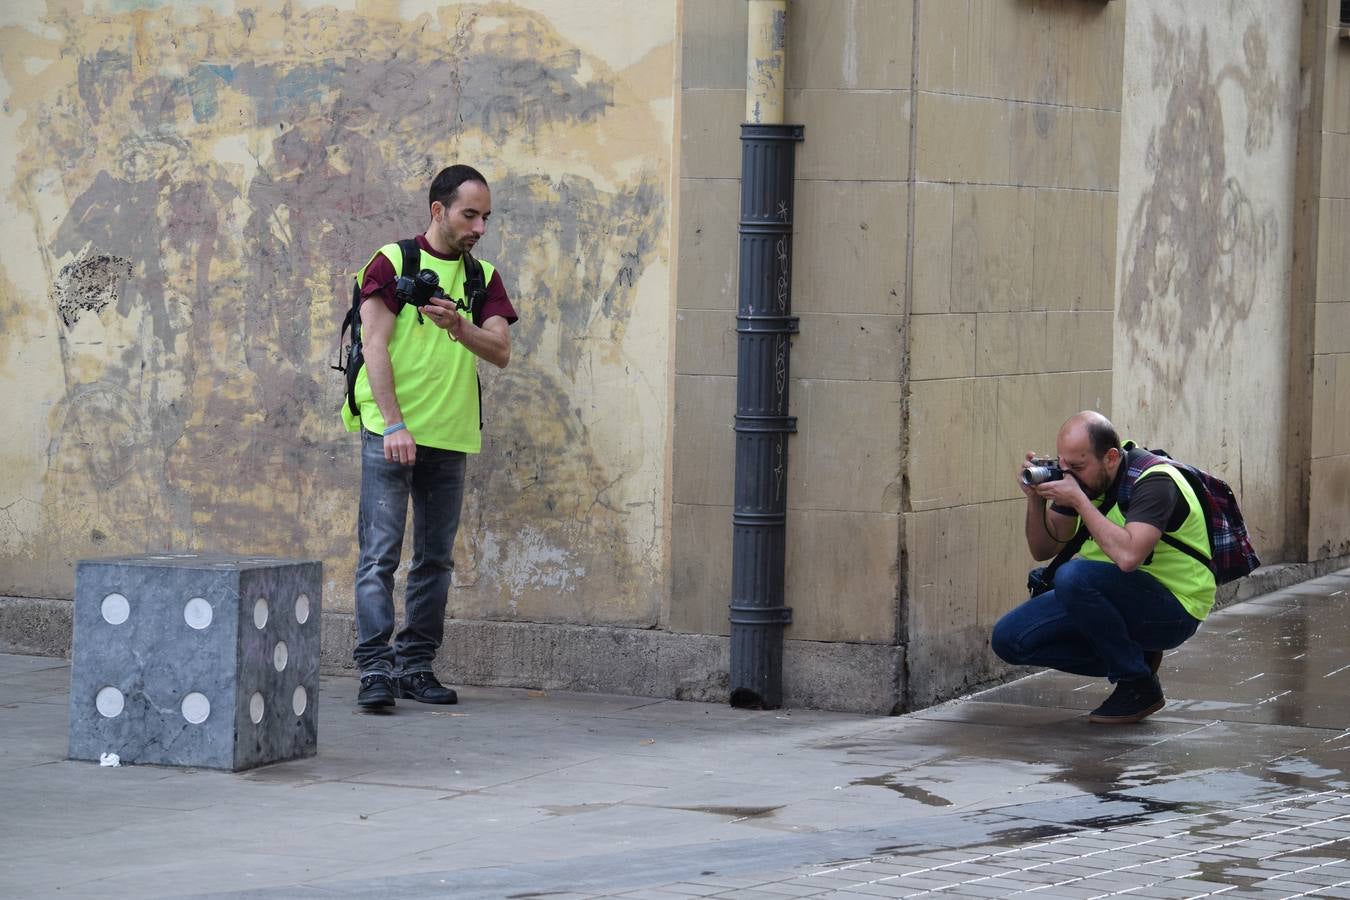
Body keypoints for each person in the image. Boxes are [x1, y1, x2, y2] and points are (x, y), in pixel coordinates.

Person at [342, 164, 517, 711]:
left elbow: (501, 352)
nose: (480, 228)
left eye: (486, 217)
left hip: (451, 433)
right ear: (438, 210)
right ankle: (375, 671)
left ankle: (417, 666)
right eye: (470, 214)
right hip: (391, 430)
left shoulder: (482, 277)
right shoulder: (393, 262)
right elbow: (373, 345)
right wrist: (392, 422)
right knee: (379, 557)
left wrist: (457, 325)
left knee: (435, 560)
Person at [990, 411, 1215, 724]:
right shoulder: (1082, 479)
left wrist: (1080, 501)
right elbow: (1043, 549)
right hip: (1109, 594)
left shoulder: (1155, 481)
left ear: (1111, 458)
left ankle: (1136, 684)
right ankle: (1137, 656)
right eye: (1063, 465)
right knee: (1009, 639)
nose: (1069, 475)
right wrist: (1035, 500)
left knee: (1073, 576)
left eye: (1078, 467)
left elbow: (1128, 557)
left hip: (1174, 607)